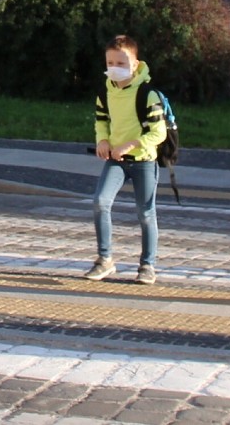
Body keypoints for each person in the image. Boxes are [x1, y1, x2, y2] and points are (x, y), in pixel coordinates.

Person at [84, 35, 167, 285]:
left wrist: (132, 144)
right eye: (110, 62)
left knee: (145, 213)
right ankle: (105, 259)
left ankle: (147, 265)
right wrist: (103, 141)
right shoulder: (105, 92)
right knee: (100, 202)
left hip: (143, 161)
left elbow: (158, 132)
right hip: (116, 161)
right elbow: (102, 121)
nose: (115, 68)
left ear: (135, 63)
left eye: (121, 63)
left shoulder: (147, 94)